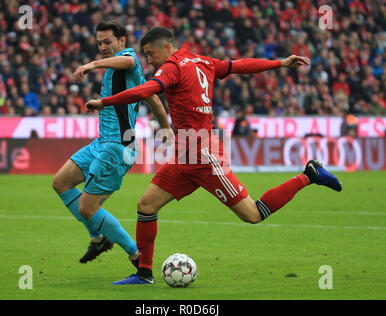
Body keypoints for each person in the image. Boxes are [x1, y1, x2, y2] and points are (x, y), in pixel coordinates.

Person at [85, 27, 342, 285]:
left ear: (166, 47)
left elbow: (145, 91)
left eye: (151, 54)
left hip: (204, 154)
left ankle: (310, 174)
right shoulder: (204, 61)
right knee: (146, 206)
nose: (149, 61)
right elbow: (241, 65)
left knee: (252, 214)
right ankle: (143, 274)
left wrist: (103, 102)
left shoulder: (171, 68)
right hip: (184, 153)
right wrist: (280, 63)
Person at [52, 21, 173, 267]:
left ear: (122, 42)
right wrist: (166, 128)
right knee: (61, 182)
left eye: (108, 42)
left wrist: (92, 64)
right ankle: (98, 237)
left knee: (87, 208)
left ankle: (135, 254)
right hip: (102, 142)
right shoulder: (127, 77)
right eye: (99, 43)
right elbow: (155, 101)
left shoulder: (129, 60)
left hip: (119, 146)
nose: (103, 47)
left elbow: (128, 61)